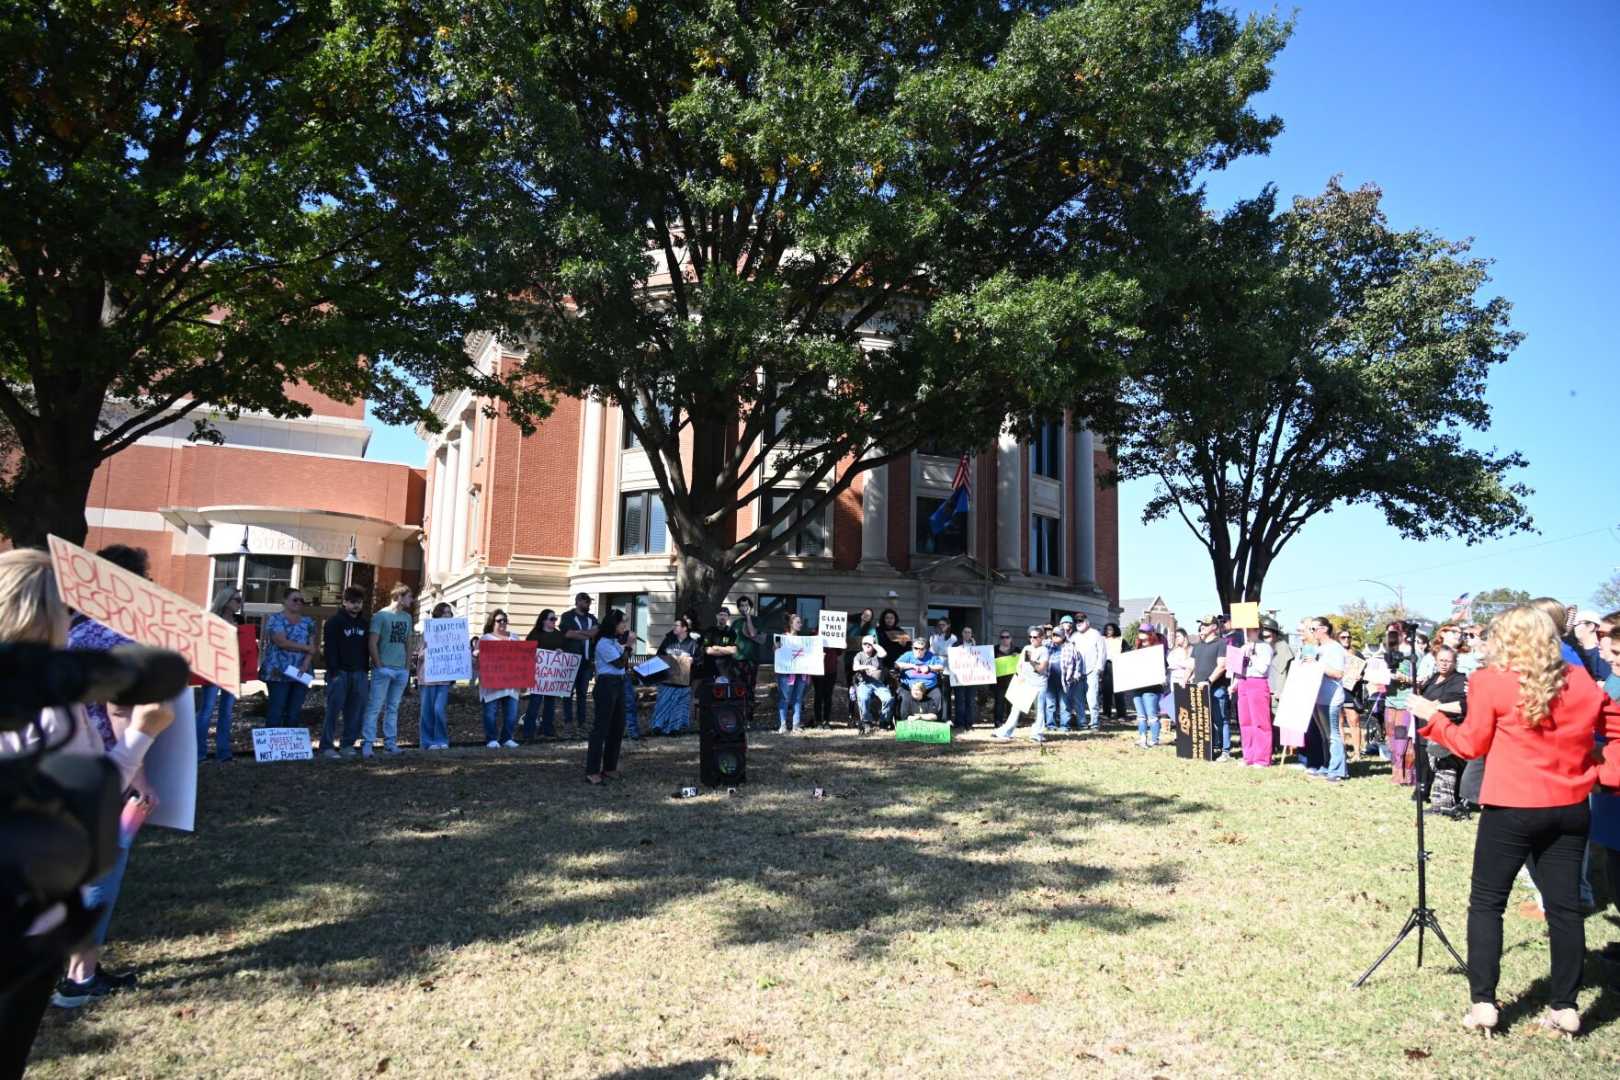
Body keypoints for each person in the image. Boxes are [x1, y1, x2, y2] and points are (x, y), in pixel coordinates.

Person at [1411, 605, 1620, 1036]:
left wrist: (1431, 720)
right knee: (1565, 910)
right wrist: (1603, 773)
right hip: (1569, 807)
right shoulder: (1580, 680)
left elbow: (1469, 745)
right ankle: (1565, 1006)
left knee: (1487, 903)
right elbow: (1615, 726)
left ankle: (1484, 1001)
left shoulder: (1491, 681)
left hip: (1510, 809)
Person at [36, 546, 172, 1011]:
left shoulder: (73, 630)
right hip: (109, 767)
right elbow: (120, 709)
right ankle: (80, 977)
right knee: (101, 870)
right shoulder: (118, 635)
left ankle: (74, 966)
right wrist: (142, 776)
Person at [361, 584, 414, 756]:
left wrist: (407, 668)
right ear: (399, 596)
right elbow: (372, 643)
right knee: (375, 706)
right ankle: (368, 744)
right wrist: (379, 666)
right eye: (409, 596)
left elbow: (408, 643)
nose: (411, 600)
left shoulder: (407, 617)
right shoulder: (381, 616)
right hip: (383, 668)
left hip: (400, 670)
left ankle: (390, 743)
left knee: (393, 707)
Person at [195, 586, 247, 762]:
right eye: (237, 600)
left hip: (233, 670)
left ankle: (223, 752)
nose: (240, 603)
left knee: (227, 711)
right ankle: (199, 752)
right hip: (213, 668)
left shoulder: (240, 619)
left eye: (240, 600)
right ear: (225, 601)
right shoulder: (210, 619)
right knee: (207, 710)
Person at [1417, 645, 1469, 813]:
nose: (1444, 664)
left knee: (1446, 768)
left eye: (1448, 661)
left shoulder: (1460, 680)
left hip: (1448, 728)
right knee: (1435, 766)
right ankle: (1435, 799)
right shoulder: (1433, 678)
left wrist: (1437, 706)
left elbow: (1462, 704)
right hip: (1429, 727)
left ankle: (1445, 804)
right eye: (1441, 660)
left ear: (1455, 662)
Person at [320, 586, 371, 759]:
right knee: (333, 710)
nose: (356, 606)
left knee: (355, 711)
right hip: (339, 672)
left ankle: (347, 744)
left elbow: (367, 648)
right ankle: (327, 746)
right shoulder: (334, 622)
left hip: (359, 672)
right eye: (352, 602)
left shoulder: (365, 623)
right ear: (345, 602)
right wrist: (333, 671)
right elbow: (329, 648)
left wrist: (365, 669)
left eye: (359, 602)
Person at [585, 608, 634, 784]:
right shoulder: (604, 643)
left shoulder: (614, 642)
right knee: (601, 728)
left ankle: (609, 767)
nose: (625, 626)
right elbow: (620, 663)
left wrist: (626, 647)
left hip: (619, 684)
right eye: (622, 622)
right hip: (607, 685)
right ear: (614, 624)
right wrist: (628, 645)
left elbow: (625, 662)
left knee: (617, 727)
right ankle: (592, 770)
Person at [261, 585, 315, 727]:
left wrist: (305, 664)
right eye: (295, 599)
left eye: (301, 601)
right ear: (284, 600)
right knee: (276, 710)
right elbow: (281, 642)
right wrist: (305, 647)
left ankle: (290, 747)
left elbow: (312, 647)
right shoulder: (275, 619)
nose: (298, 603)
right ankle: (272, 747)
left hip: (302, 671)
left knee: (294, 712)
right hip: (278, 671)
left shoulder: (308, 622)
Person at [1305, 616, 1350, 783]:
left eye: (1313, 629)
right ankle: (1327, 764)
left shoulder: (1335, 648)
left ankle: (1338, 770)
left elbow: (1338, 673)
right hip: (1317, 697)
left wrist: (1318, 664)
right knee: (1324, 735)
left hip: (1331, 697)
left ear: (1324, 629)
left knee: (1333, 735)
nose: (1312, 632)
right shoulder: (1318, 648)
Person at [992, 626, 1050, 743]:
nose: (1032, 639)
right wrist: (1020, 674)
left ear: (1041, 638)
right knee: (1016, 708)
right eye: (1030, 637)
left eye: (1035, 637)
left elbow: (1041, 669)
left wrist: (1032, 662)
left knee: (1039, 710)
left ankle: (1036, 734)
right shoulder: (1026, 648)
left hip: (1039, 685)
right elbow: (1019, 664)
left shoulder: (1044, 650)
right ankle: (1005, 732)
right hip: (1026, 684)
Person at [415, 601, 457, 749]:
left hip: (444, 678)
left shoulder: (455, 633)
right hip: (428, 677)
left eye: (449, 612)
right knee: (427, 711)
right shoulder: (428, 631)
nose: (447, 615)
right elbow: (419, 654)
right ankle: (427, 742)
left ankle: (441, 740)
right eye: (444, 612)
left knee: (439, 709)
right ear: (437, 615)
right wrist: (431, 650)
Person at [476, 609, 520, 748]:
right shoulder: (486, 639)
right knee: (491, 713)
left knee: (512, 714)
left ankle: (507, 738)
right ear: (492, 622)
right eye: (499, 620)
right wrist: (477, 654)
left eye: (505, 620)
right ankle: (491, 739)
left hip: (511, 682)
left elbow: (522, 658)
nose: (503, 623)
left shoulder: (514, 637)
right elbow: (477, 658)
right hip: (492, 682)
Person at [521, 608, 567, 740]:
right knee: (535, 703)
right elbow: (527, 650)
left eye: (555, 619)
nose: (554, 621)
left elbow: (565, 650)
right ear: (544, 620)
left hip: (552, 676)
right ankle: (528, 732)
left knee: (550, 704)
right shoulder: (535, 634)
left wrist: (561, 651)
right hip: (538, 676)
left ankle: (547, 729)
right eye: (552, 619)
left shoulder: (558, 635)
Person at [650, 616, 700, 735]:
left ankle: (675, 729)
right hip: (667, 679)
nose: (674, 628)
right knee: (663, 703)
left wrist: (692, 660)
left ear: (684, 628)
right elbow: (659, 655)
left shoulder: (692, 644)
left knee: (679, 705)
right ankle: (657, 727)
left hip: (683, 681)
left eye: (676, 626)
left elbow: (699, 659)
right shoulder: (668, 640)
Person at [558, 592, 599, 737]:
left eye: (589, 602)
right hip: (570, 661)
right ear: (579, 601)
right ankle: (568, 723)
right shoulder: (567, 616)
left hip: (586, 662)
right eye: (586, 601)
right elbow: (568, 634)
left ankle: (582, 723)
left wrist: (580, 633)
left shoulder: (591, 618)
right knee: (567, 694)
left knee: (582, 694)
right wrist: (586, 634)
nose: (589, 604)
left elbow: (595, 633)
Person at [1189, 616, 1229, 757]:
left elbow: (1222, 666)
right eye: (1201, 624)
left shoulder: (1221, 644)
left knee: (1220, 719)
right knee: (1205, 720)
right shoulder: (1197, 646)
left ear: (1214, 627)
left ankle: (1225, 750)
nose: (1202, 627)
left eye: (1206, 624)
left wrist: (1208, 681)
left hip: (1216, 688)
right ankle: (1209, 748)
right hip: (1199, 688)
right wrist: (1184, 679)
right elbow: (1191, 666)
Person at [1235, 625, 1274, 766]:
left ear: (1257, 631)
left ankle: (1262, 758)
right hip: (1243, 682)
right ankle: (1249, 756)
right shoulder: (1243, 646)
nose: (1246, 632)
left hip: (1257, 682)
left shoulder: (1265, 647)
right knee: (1245, 721)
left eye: (1249, 629)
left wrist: (1252, 654)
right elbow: (1236, 668)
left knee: (1260, 722)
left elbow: (1263, 668)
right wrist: (1234, 682)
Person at [776, 611, 812, 734]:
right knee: (785, 698)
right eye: (798, 622)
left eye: (801, 622)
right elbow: (775, 650)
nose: (800, 624)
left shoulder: (803, 640)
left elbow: (808, 654)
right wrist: (776, 646)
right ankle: (783, 725)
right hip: (786, 674)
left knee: (798, 698)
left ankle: (796, 725)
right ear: (791, 624)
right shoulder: (782, 637)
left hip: (801, 673)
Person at [1131, 627, 1168, 748]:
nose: (1142, 635)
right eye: (1140, 632)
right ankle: (1142, 737)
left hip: (1151, 688)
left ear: (1150, 634)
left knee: (1152, 715)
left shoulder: (1157, 650)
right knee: (1141, 716)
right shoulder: (1136, 650)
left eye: (1144, 632)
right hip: (1137, 687)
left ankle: (1154, 739)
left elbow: (1163, 667)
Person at [732, 595, 765, 726]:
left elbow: (752, 634)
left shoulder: (756, 621)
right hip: (737, 661)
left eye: (746, 605)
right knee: (737, 689)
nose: (743, 608)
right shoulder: (735, 623)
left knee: (749, 688)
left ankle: (748, 718)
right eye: (741, 606)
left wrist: (748, 617)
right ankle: (738, 717)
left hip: (751, 660)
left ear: (750, 607)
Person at [850, 633, 891, 734]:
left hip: (878, 684)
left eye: (869, 644)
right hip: (864, 683)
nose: (867, 645)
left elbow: (884, 654)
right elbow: (855, 667)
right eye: (865, 644)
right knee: (864, 698)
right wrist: (867, 667)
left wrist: (874, 644)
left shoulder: (877, 654)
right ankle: (866, 722)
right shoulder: (859, 655)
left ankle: (883, 722)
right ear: (862, 645)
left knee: (888, 698)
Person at [1072, 613, 1107, 731]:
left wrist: (1099, 668)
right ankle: (1082, 723)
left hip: (1092, 671)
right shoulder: (1074, 636)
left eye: (1081, 621)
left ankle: (1094, 723)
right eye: (1077, 621)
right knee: (1078, 700)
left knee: (1092, 699)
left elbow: (1102, 653)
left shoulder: (1096, 634)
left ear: (1087, 621)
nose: (1079, 623)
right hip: (1077, 673)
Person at [811, 624, 844, 729]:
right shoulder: (814, 634)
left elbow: (839, 652)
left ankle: (826, 721)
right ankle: (818, 721)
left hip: (831, 669)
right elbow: (810, 649)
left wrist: (841, 643)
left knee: (828, 696)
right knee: (818, 695)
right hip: (818, 670)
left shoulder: (835, 634)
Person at [952, 625, 981, 728]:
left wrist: (974, 646)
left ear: (971, 634)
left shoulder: (976, 645)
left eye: (969, 632)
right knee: (960, 700)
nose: (967, 634)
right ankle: (959, 722)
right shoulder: (956, 644)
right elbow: (952, 658)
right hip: (960, 677)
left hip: (972, 677)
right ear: (962, 633)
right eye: (965, 632)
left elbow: (980, 658)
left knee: (970, 700)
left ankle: (969, 722)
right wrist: (958, 650)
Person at [992, 628, 1018, 730]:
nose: (1004, 639)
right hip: (999, 682)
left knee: (1011, 703)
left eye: (1007, 637)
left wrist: (1016, 657)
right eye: (1002, 637)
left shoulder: (1016, 650)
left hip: (1012, 681)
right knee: (999, 702)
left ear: (1010, 639)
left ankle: (1010, 723)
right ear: (999, 639)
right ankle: (998, 722)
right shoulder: (994, 650)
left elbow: (1023, 662)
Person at [1101, 622, 1124, 720]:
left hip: (1118, 664)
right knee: (1106, 691)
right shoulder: (1102, 640)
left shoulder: (1121, 640)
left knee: (1119, 692)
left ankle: (1121, 714)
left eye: (1110, 629)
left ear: (1115, 630)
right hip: (1106, 665)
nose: (1108, 631)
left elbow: (1126, 651)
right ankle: (1106, 713)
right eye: (1107, 629)